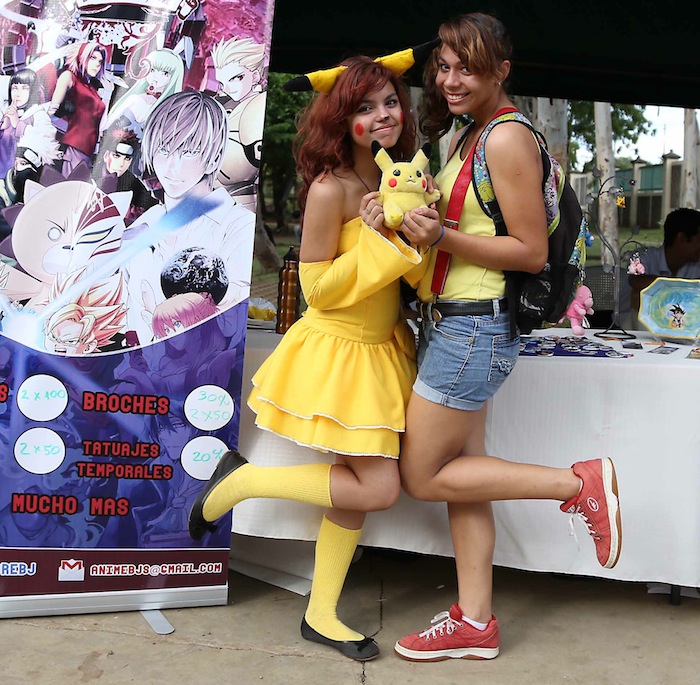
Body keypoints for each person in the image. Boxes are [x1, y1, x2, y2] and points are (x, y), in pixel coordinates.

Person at [390, 13, 623, 662]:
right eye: (444, 66)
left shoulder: (507, 138)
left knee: (422, 474)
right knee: (463, 479)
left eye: (468, 68)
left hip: (474, 328)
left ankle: (577, 485)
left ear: (502, 71)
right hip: (454, 322)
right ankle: (475, 621)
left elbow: (528, 250)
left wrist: (441, 236)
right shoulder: (470, 132)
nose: (451, 80)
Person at [188, 53, 427, 661]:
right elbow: (315, 291)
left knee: (357, 488)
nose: (383, 115)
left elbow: (411, 276)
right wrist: (377, 237)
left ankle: (320, 613)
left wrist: (414, 230)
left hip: (383, 349)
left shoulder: (393, 179)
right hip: (340, 352)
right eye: (365, 107)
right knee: (377, 488)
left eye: (390, 102)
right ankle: (244, 481)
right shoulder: (329, 188)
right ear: (341, 118)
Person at [120, 90, 255, 346]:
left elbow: (231, 320)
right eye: (164, 149)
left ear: (213, 158)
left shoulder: (238, 227)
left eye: (189, 152)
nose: (172, 166)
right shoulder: (141, 228)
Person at [622, 208, 700, 328]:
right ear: (681, 238)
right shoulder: (643, 257)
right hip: (630, 330)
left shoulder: (696, 265)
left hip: (680, 330)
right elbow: (636, 282)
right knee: (641, 296)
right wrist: (685, 289)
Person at [48, 41, 108, 177]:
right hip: (73, 148)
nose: (97, 64)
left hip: (89, 152)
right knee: (70, 186)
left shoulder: (92, 89)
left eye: (100, 61)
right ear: (82, 56)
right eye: (93, 58)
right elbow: (51, 114)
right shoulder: (69, 77)